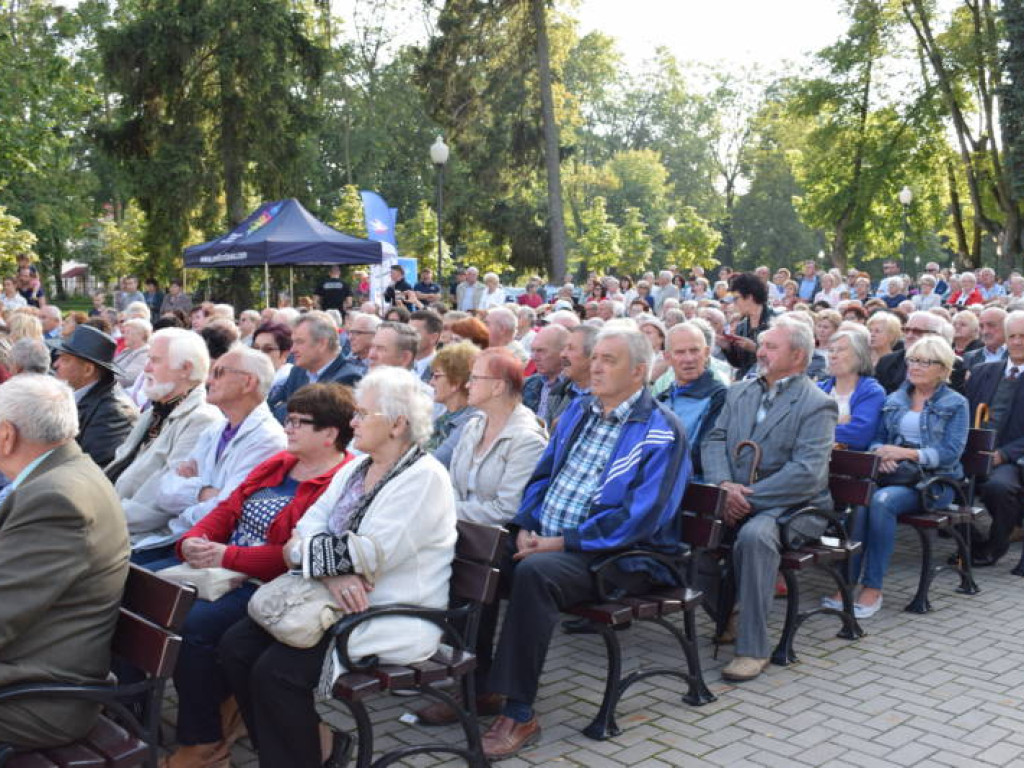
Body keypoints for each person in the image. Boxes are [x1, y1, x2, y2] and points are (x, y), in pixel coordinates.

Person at [220, 368, 456, 768]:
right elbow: (309, 523)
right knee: (236, 648)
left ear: (398, 424)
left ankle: (300, 758)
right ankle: (317, 744)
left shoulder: (424, 478)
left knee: (276, 673)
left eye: (364, 414)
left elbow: (368, 554)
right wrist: (328, 568)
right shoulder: (357, 466)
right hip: (334, 598)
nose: (353, 421)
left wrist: (308, 554)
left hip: (388, 611)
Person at [479, 326, 691, 759]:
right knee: (482, 550)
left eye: (608, 360)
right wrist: (525, 524)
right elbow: (542, 476)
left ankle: (519, 713)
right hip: (554, 542)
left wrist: (561, 543)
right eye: (595, 357)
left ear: (638, 372)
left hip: (621, 560)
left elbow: (641, 517)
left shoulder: (661, 431)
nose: (595, 366)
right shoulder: (579, 412)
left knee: (536, 573)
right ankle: (481, 685)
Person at [154, 384, 355, 768]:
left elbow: (293, 558)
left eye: (300, 422)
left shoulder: (338, 481)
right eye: (289, 418)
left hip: (271, 586)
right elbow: (228, 509)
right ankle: (138, 710)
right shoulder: (278, 464)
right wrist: (194, 540)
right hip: (222, 570)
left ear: (330, 434)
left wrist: (228, 554)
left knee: (191, 627)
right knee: (143, 593)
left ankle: (205, 743)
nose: (289, 427)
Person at [702, 316, 837, 681]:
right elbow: (714, 440)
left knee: (755, 536)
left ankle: (753, 648)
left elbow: (808, 473)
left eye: (771, 347)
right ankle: (725, 615)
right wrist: (724, 486)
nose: (760, 352)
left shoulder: (816, 404)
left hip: (793, 507)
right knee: (692, 532)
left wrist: (747, 499)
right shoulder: (739, 391)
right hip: (736, 495)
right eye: (761, 345)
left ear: (798, 355)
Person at [0, 374, 129, 748]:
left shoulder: (58, 498)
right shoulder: (58, 476)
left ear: (7, 435)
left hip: (37, 697)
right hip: (31, 669)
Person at [841, 336, 967, 618]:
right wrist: (881, 455)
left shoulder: (956, 403)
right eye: (913, 360)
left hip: (936, 483)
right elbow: (877, 439)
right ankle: (847, 581)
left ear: (942, 368)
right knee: (861, 501)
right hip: (895, 475)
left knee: (882, 501)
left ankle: (873, 587)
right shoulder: (895, 398)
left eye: (925, 361)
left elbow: (950, 454)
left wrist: (907, 454)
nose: (915, 366)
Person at [135, 346, 288, 563]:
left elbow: (225, 510)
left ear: (248, 383)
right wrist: (204, 493)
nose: (209, 380)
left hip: (209, 551)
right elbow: (164, 491)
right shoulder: (215, 430)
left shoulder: (268, 440)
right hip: (177, 537)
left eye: (219, 373)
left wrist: (191, 495)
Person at [106, 328, 222, 551]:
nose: (146, 368)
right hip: (110, 517)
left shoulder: (201, 419)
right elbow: (120, 465)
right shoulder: (155, 411)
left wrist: (96, 516)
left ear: (185, 369)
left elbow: (158, 505)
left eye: (155, 361)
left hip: (136, 537)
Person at [965, 311, 1024, 566]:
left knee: (998, 488)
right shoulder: (981, 371)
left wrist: (1004, 455)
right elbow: (966, 414)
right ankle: (967, 542)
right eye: (1013, 336)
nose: (1018, 342)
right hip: (974, 452)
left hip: (1012, 458)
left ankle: (995, 545)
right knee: (942, 479)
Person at [52, 325, 139, 467]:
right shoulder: (77, 392)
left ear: (88, 370)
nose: (56, 364)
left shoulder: (113, 413)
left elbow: (90, 469)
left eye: (65, 359)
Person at [656, 322, 726, 477]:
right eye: (680, 352)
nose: (688, 359)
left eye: (695, 351)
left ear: (707, 352)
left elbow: (702, 455)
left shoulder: (720, 396)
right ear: (667, 357)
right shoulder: (661, 398)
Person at [267, 311, 362, 423]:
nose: (292, 350)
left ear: (322, 344)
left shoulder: (347, 378)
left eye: (299, 342)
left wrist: (286, 408)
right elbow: (271, 408)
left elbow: (314, 422)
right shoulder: (297, 371)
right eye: (293, 342)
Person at [817, 330, 886, 451]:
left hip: (848, 465)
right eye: (831, 350)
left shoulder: (872, 392)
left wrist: (813, 428)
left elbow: (858, 436)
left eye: (841, 350)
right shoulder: (818, 389)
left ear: (860, 356)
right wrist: (839, 421)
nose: (833, 355)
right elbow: (792, 427)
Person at [428, 341, 479, 466]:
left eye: (436, 376)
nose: (431, 383)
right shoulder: (445, 416)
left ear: (455, 383)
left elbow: (435, 462)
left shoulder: (470, 422)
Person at [722, 272, 772, 378]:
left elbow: (783, 358)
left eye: (736, 299)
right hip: (746, 384)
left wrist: (755, 348)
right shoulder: (741, 326)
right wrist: (727, 347)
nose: (734, 303)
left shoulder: (776, 323)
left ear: (749, 297)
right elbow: (739, 364)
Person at [522, 324, 569, 424]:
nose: (534, 357)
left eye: (541, 351)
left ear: (563, 352)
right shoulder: (529, 383)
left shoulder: (574, 390)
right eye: (533, 350)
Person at [962, 306, 1007, 372]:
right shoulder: (970, 357)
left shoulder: (1018, 354)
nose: (985, 331)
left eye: (991, 325)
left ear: (1006, 326)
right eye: (981, 326)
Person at [253, 322, 294, 393]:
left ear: (285, 353)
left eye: (268, 349)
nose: (259, 354)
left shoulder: (289, 381)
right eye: (256, 348)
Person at [113, 318, 151, 388]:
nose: (123, 336)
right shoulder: (128, 350)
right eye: (124, 333)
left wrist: (102, 376)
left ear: (140, 334)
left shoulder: (145, 354)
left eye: (127, 332)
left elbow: (128, 378)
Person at [410, 309, 443, 382]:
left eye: (415, 333)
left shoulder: (443, 369)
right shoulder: (400, 365)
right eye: (407, 332)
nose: (409, 337)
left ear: (434, 337)